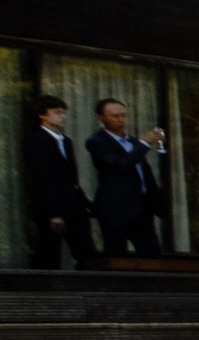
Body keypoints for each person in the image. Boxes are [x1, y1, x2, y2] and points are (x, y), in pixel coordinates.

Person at [86, 97, 168, 259]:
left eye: (123, 115)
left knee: (152, 255)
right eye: (115, 116)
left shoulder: (131, 141)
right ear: (101, 118)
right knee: (117, 256)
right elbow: (121, 165)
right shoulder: (97, 142)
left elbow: (145, 173)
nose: (121, 120)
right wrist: (144, 143)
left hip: (141, 207)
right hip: (115, 209)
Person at [26, 94, 102, 268]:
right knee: (49, 252)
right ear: (42, 114)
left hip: (74, 206)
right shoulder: (37, 140)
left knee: (87, 252)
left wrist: (86, 204)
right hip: (51, 208)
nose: (63, 116)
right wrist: (54, 212)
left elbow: (70, 178)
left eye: (63, 112)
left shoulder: (65, 141)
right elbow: (42, 177)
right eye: (57, 112)